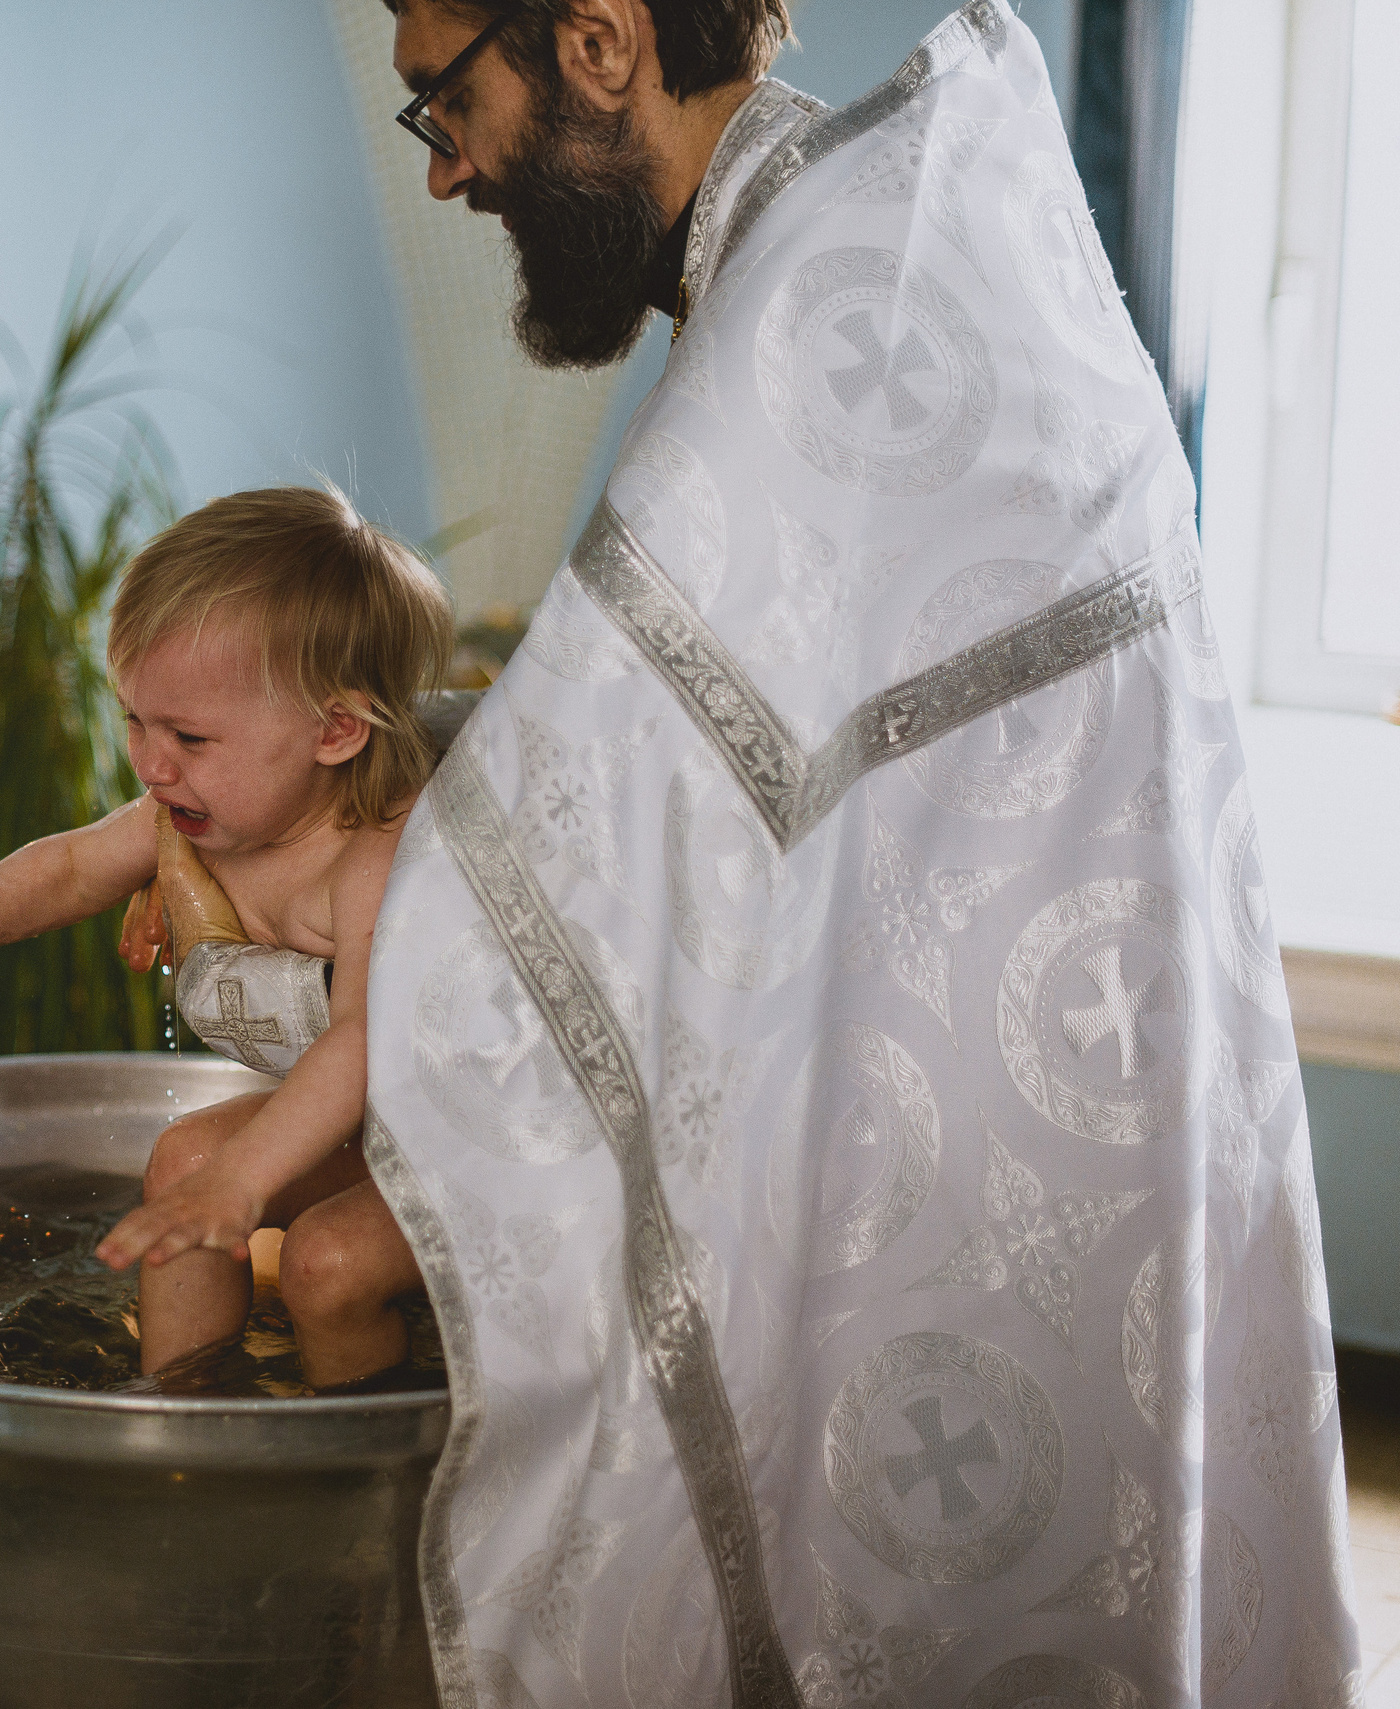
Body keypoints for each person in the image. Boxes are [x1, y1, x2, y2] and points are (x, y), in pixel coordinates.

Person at [293, 1, 1352, 1705]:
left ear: (599, 39)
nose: (448, 172)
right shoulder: (864, 241)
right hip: (1087, 1075)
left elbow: (612, 799)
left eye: (445, 101)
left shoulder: (822, 302)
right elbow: (698, 736)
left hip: (989, 1124)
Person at [0, 486, 454, 1390]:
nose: (152, 765)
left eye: (189, 734)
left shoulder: (376, 856)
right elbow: (73, 867)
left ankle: (364, 1479)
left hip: (484, 1127)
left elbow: (359, 1041)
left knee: (325, 1265)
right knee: (183, 1160)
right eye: (135, 720)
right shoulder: (203, 807)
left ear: (337, 729)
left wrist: (247, 1182)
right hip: (386, 1121)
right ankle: (180, 1411)